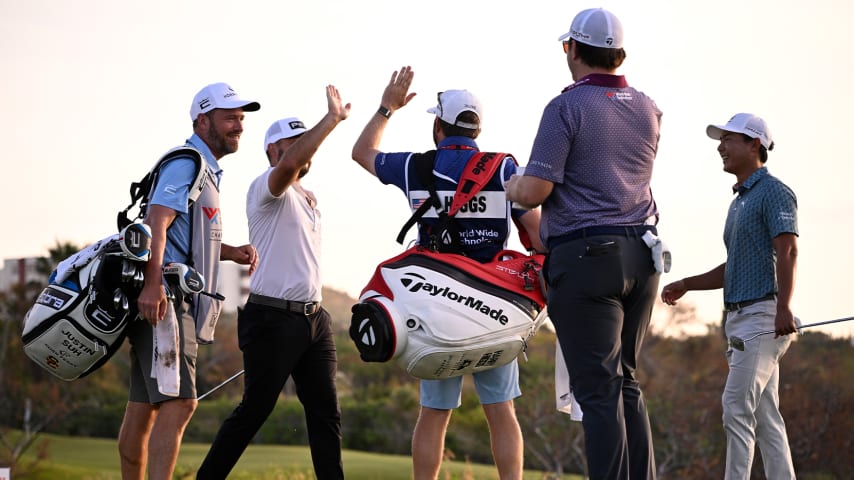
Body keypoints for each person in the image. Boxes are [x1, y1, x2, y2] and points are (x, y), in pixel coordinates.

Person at [352, 66, 543, 480]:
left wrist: (386, 108)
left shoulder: (417, 167)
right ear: (476, 130)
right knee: (501, 411)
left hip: (435, 305)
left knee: (434, 414)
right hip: (493, 306)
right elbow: (537, 233)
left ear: (439, 126)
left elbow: (362, 153)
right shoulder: (502, 169)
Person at [505, 7, 662, 479]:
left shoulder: (566, 107)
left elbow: (535, 191)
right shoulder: (648, 107)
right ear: (619, 54)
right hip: (643, 253)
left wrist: (512, 186)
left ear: (571, 49)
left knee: (597, 392)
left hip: (586, 258)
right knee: (627, 383)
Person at [197, 85, 350, 480]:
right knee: (255, 411)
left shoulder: (308, 198)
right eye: (292, 143)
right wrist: (330, 120)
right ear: (271, 151)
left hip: (315, 321)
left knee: (326, 415)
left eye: (304, 141)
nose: (302, 148)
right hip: (272, 319)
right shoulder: (267, 187)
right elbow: (289, 167)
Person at [117, 82, 261, 480]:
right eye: (230, 117)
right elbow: (156, 224)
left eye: (241, 118)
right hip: (166, 298)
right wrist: (152, 286)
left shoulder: (205, 168)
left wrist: (232, 252)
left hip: (165, 292)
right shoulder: (188, 162)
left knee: (144, 408)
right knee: (181, 403)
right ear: (203, 120)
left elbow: (186, 237)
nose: (239, 125)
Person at [661, 113, 798, 479]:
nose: (721, 147)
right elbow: (735, 266)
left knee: (736, 407)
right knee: (767, 418)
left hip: (762, 317)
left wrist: (783, 307)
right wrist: (687, 282)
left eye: (729, 139)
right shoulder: (739, 200)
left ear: (755, 145)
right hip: (740, 319)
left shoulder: (774, 192)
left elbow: (787, 251)